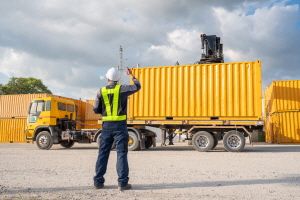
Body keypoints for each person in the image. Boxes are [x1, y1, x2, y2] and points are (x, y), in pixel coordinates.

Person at [93, 67, 141, 191]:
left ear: (108, 78)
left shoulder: (101, 91)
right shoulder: (122, 89)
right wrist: (131, 75)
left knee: (103, 153)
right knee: (121, 153)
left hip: (106, 126)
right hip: (120, 127)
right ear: (118, 79)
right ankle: (122, 183)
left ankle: (98, 182)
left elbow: (96, 109)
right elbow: (137, 86)